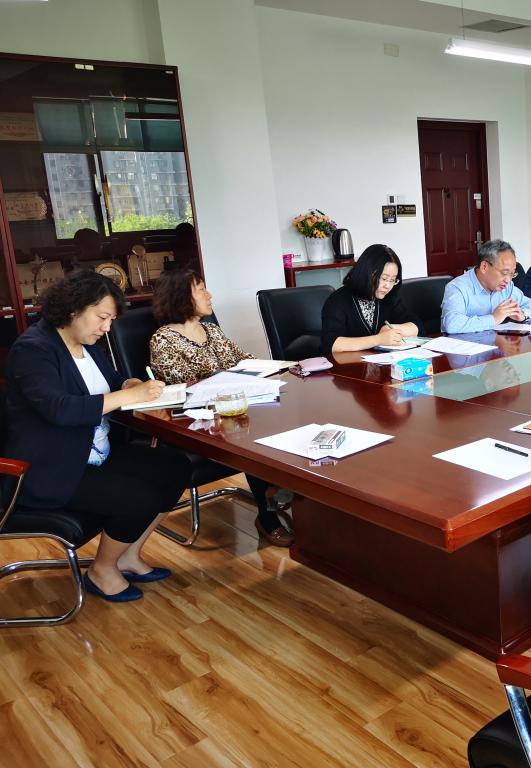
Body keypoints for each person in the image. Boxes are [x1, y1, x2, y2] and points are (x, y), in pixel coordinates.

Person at [5, 270, 191, 602]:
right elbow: (59, 409)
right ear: (73, 308)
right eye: (102, 317)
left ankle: (128, 555)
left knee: (175, 466)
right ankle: (102, 570)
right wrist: (128, 396)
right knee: (140, 496)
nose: (107, 328)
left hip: (94, 453)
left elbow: (113, 382)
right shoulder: (33, 349)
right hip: (50, 468)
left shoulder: (86, 344)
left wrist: (131, 385)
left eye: (111, 320)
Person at [148, 270, 295, 547]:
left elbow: (245, 360)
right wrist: (226, 380)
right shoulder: (163, 339)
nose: (209, 295)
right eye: (201, 290)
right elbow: (182, 386)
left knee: (278, 419)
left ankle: (283, 491)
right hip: (196, 421)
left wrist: (277, 368)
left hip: (233, 410)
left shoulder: (212, 330)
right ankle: (268, 514)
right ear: (181, 296)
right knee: (249, 435)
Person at [320, 244, 419, 355]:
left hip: (382, 362)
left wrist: (394, 329)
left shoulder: (389, 297)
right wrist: (379, 339)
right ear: (366, 273)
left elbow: (417, 326)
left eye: (392, 280)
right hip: (349, 364)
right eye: (384, 278)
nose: (387, 286)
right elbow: (330, 344)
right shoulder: (338, 300)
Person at [440, 239, 531, 333]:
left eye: (512, 274)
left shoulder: (507, 287)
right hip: (465, 344)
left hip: (497, 342)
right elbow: (452, 324)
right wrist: (493, 319)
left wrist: (522, 315)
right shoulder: (458, 287)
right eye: (504, 273)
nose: (508, 280)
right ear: (484, 267)